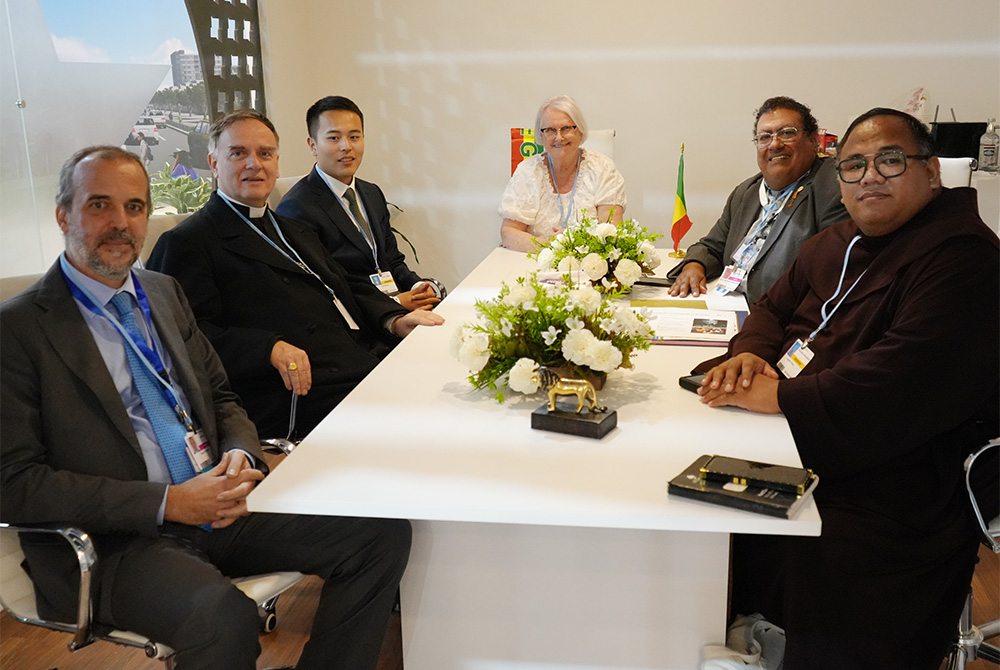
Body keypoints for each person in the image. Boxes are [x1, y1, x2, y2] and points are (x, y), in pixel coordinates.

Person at [0, 145, 412, 670]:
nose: (120, 223)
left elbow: (220, 396)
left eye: (134, 207)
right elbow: (13, 485)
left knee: (378, 534)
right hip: (117, 542)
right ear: (63, 214)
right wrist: (168, 502)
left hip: (217, 504)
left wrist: (242, 456)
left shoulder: (163, 293)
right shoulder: (18, 330)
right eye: (99, 205)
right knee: (223, 617)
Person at [695, 109, 999, 669]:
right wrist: (750, 357)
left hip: (895, 480)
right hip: (799, 439)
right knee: (713, 516)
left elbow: (903, 382)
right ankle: (746, 639)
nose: (869, 177)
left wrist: (780, 397)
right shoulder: (836, 241)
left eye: (890, 160)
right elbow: (768, 308)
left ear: (931, 172)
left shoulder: (964, 255)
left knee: (818, 560)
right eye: (854, 165)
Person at [147, 110, 443, 439]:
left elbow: (344, 283)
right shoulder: (188, 242)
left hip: (357, 359)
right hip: (295, 393)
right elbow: (184, 339)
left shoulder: (293, 228)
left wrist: (394, 319)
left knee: (449, 381)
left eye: (265, 153)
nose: (253, 164)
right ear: (214, 163)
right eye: (238, 153)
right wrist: (268, 348)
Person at [667, 96, 847, 304]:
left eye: (787, 133)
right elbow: (711, 246)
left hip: (779, 319)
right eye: (764, 137)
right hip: (728, 305)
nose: (775, 144)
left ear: (813, 140)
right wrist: (694, 265)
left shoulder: (833, 187)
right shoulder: (746, 192)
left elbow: (831, 281)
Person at [276, 96, 444, 311]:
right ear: (313, 145)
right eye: (334, 138)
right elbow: (324, 288)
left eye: (354, 137)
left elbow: (391, 260)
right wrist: (393, 304)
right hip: (359, 322)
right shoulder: (296, 208)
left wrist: (419, 287)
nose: (346, 147)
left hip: (395, 307)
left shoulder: (371, 193)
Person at [499, 95, 626, 251]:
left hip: (590, 266)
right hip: (535, 265)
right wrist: (548, 245)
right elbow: (509, 232)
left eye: (566, 128)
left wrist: (575, 241)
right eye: (550, 130)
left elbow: (612, 230)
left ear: (580, 131)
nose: (559, 137)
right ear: (541, 135)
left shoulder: (603, 168)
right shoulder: (528, 171)